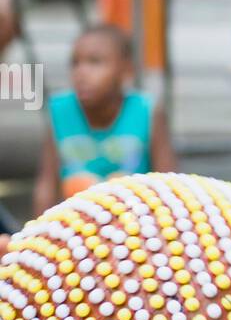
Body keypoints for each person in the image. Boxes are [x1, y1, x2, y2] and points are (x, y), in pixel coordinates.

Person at [33, 22, 176, 211]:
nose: (81, 73)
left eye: (95, 62)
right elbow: (47, 184)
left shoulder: (147, 112)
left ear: (126, 69)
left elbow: (168, 185)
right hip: (76, 225)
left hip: (135, 223)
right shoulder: (60, 111)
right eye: (75, 63)